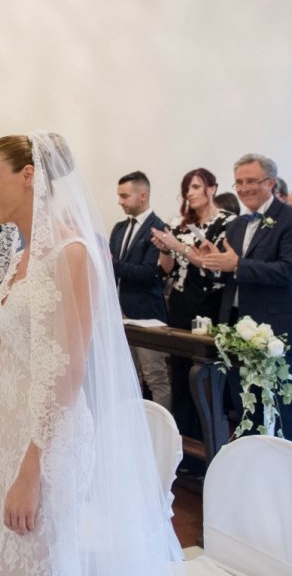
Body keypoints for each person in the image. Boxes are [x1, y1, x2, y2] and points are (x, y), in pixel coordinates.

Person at [0, 132, 182, 575]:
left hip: (48, 442)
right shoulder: (19, 255)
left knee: (42, 559)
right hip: (8, 430)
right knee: (6, 551)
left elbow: (69, 372)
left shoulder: (71, 254)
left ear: (29, 176)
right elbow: (6, 355)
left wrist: (32, 470)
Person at [201, 153, 292, 443]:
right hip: (238, 325)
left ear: (271, 182)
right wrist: (211, 263)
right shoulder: (236, 225)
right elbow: (231, 274)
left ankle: (289, 476)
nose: (243, 187)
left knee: (276, 404)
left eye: (251, 180)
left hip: (276, 327)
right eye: (239, 182)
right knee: (244, 405)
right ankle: (255, 470)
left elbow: (289, 271)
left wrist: (236, 265)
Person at [151, 168, 235, 437]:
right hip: (180, 300)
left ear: (212, 189)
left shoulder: (227, 223)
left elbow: (214, 265)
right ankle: (183, 438)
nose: (190, 193)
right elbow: (166, 269)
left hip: (209, 302)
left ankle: (207, 438)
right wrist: (165, 248)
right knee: (180, 370)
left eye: (196, 187)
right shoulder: (182, 225)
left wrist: (177, 246)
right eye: (187, 188)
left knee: (203, 374)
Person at [110, 171, 170, 408]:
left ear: (143, 195)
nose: (120, 201)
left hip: (146, 311)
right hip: (120, 309)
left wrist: (111, 263)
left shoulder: (158, 228)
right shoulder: (118, 228)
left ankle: (163, 431)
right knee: (129, 376)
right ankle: (133, 425)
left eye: (125, 196)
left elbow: (148, 273)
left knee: (155, 376)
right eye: (119, 196)